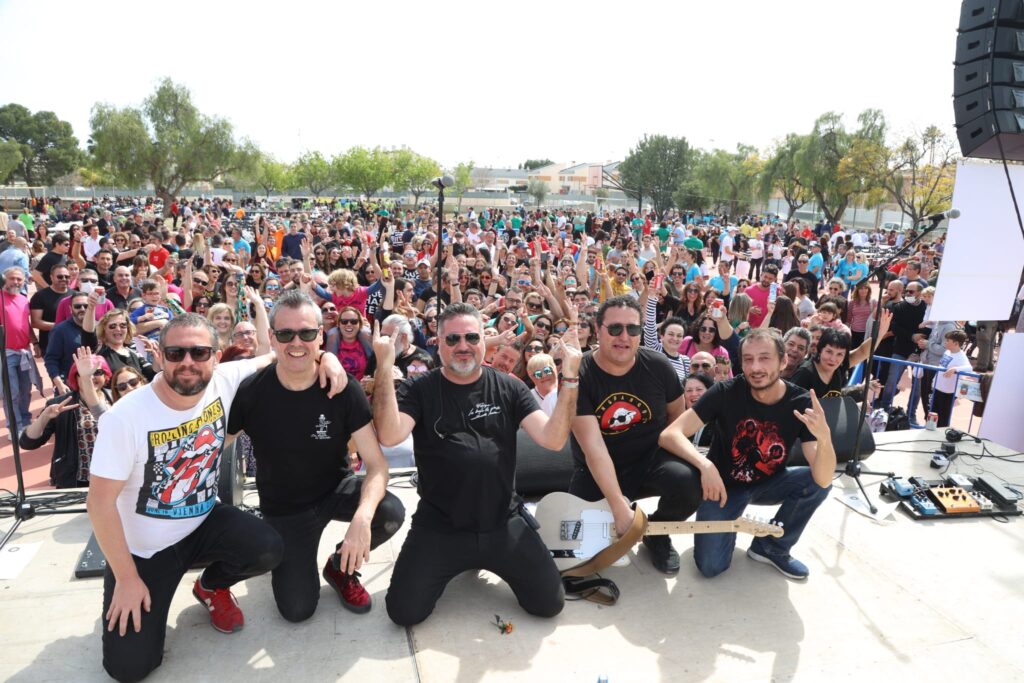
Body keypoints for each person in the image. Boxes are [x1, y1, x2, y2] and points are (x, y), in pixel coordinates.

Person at [86, 313, 347, 682]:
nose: (187, 362)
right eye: (175, 353)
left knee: (268, 547)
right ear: (160, 357)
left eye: (199, 352)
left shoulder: (225, 379)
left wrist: (327, 357)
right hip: (146, 551)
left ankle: (210, 586)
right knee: (128, 669)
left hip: (204, 521)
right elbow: (99, 504)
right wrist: (127, 579)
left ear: (216, 356)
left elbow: (284, 352)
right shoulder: (125, 417)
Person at [375, 302, 582, 626]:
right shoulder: (420, 388)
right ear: (438, 344)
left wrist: (569, 376)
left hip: (502, 521)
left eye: (471, 337)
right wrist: (384, 367)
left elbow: (554, 440)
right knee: (403, 612)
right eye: (453, 339)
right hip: (440, 526)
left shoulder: (510, 386)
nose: (463, 346)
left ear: (485, 342)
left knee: (549, 604)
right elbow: (389, 435)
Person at [228, 290, 405, 622]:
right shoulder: (251, 392)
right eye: (286, 334)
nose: (297, 342)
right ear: (272, 337)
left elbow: (377, 465)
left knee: (390, 512)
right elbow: (215, 449)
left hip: (335, 489)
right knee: (297, 610)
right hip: (285, 508)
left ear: (320, 335)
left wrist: (362, 519)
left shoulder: (342, 387)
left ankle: (340, 567)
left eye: (307, 333)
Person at [659, 329, 835, 580]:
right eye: (748, 359)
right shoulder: (725, 392)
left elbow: (824, 478)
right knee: (710, 568)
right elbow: (670, 435)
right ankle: (727, 524)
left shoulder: (800, 402)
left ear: (783, 361)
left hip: (770, 482)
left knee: (815, 482)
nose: (756, 367)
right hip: (724, 488)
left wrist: (825, 438)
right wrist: (705, 466)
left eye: (765, 358)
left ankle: (772, 547)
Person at [569, 295, 703, 574]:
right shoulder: (579, 373)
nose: (624, 336)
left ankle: (656, 533)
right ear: (598, 329)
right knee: (581, 551)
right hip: (597, 468)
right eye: (615, 328)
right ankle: (621, 509)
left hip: (649, 461)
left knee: (689, 483)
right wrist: (618, 506)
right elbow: (593, 448)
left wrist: (701, 465)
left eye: (632, 329)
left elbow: (677, 420)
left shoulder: (658, 366)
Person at [20, 351, 113, 487]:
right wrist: (44, 416)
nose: (91, 376)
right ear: (75, 378)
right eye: (84, 373)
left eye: (97, 372)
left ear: (106, 376)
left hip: (113, 476)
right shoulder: (58, 404)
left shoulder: (117, 399)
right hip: (77, 480)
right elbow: (28, 443)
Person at [1, 267, 38, 432]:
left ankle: (25, 420)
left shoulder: (24, 300)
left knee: (26, 390)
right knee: (12, 392)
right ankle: (15, 427)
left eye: (19, 279)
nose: (15, 282)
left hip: (25, 352)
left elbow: (26, 325)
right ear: (4, 279)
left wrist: (35, 342)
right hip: (6, 353)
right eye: (12, 278)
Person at [931, 329, 972, 427]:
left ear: (956, 343)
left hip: (948, 392)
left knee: (943, 417)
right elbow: (941, 366)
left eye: (948, 340)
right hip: (937, 388)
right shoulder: (947, 352)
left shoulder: (961, 356)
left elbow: (969, 368)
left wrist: (955, 369)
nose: (945, 342)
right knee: (933, 413)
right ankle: (930, 430)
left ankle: (940, 434)